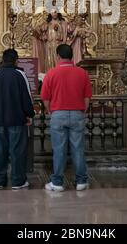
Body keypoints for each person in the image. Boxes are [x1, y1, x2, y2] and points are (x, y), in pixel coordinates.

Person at [41, 44, 92, 191]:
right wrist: (82, 111)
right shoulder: (82, 73)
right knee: (78, 149)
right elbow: (87, 97)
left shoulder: (51, 73)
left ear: (58, 56)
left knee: (59, 150)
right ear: (72, 56)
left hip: (58, 113)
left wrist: (51, 111)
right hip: (77, 113)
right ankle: (81, 181)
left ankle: (57, 183)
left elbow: (45, 98)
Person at [0, 49, 35, 189]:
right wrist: (30, 114)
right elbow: (26, 97)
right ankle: (18, 181)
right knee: (17, 151)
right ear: (16, 60)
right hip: (17, 120)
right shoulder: (20, 75)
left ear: (3, 60)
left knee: (1, 151)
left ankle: (0, 181)